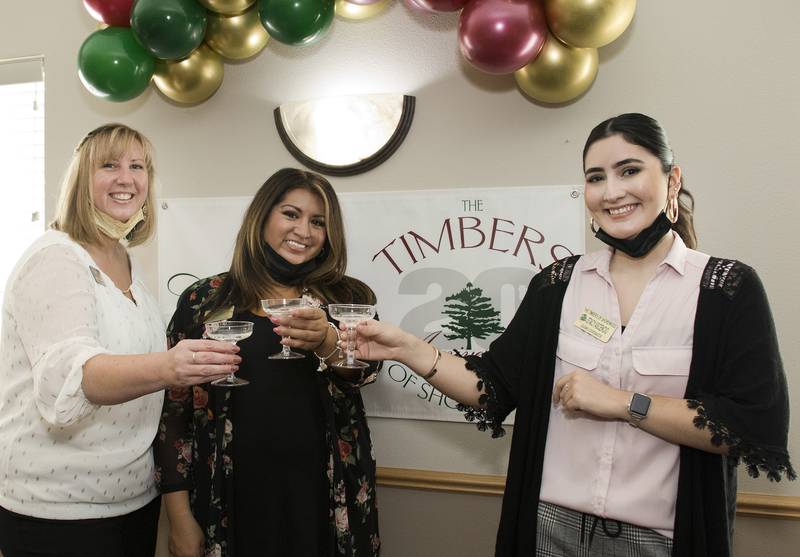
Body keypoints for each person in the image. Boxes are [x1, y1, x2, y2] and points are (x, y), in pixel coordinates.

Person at [349, 113, 795, 556]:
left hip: (662, 540)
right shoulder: (558, 283)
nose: (612, 191)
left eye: (630, 170)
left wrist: (623, 403)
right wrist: (408, 349)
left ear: (672, 178)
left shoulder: (725, 289)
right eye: (596, 177)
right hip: (549, 530)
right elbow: (495, 386)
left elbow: (749, 426)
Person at [0, 124, 241, 557]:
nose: (126, 178)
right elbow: (71, 381)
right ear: (80, 180)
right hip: (61, 511)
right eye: (108, 165)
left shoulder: (123, 258)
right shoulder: (57, 257)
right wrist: (169, 367)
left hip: (130, 498)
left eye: (137, 166)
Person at [155, 168, 381, 557]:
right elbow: (174, 410)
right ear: (262, 217)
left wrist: (326, 340)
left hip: (324, 493)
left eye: (318, 222)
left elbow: (365, 371)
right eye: (291, 214)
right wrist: (178, 517)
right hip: (228, 495)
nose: (304, 231)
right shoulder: (206, 299)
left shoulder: (345, 296)